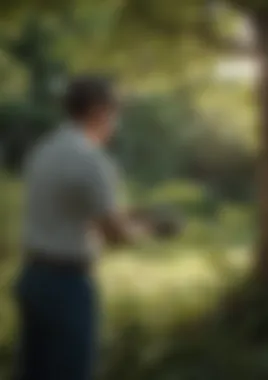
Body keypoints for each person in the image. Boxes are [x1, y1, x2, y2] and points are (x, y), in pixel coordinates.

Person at [14, 76, 151, 380]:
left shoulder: (43, 150)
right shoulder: (93, 161)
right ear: (98, 111)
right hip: (68, 284)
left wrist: (129, 215)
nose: (116, 123)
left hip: (32, 277)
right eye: (115, 113)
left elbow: (71, 208)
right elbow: (116, 235)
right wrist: (150, 230)